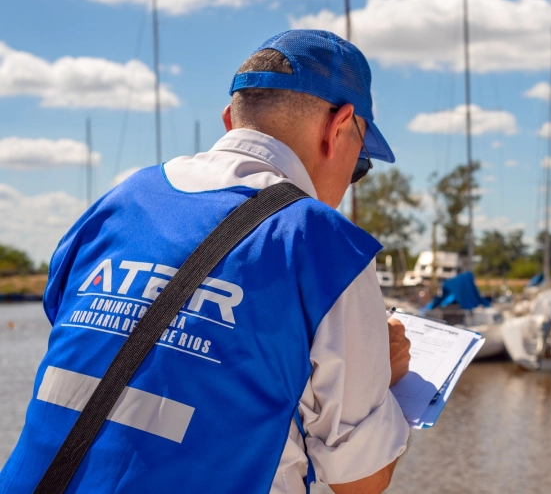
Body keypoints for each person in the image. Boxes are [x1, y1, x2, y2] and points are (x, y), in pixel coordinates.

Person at [0, 30, 412, 494]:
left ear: (229, 123)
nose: (353, 179)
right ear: (338, 126)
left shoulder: (114, 205)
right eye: (360, 164)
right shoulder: (324, 246)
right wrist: (385, 377)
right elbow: (361, 482)